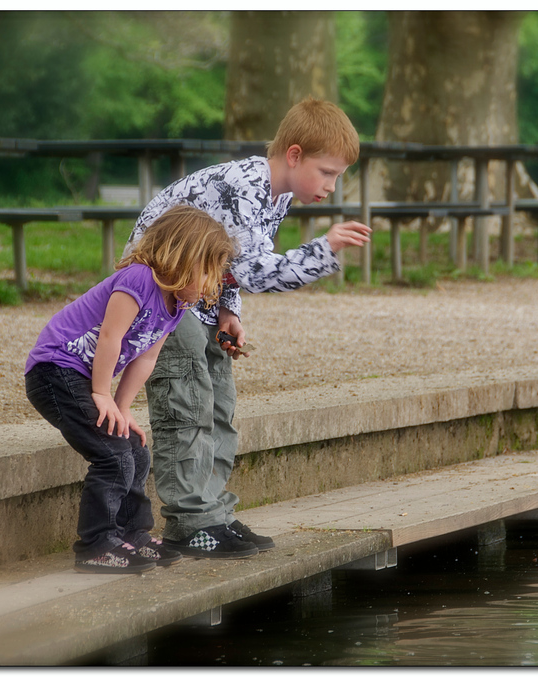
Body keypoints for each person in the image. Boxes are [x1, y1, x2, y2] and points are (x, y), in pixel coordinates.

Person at [123, 97, 371, 559]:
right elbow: (259, 270)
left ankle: (213, 513)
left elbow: (232, 263)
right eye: (327, 172)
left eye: (337, 176)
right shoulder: (247, 183)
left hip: (200, 296)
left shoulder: (275, 193)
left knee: (218, 402)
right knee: (187, 402)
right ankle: (189, 521)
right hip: (160, 294)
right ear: (294, 155)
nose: (332, 187)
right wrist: (324, 248)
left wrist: (228, 309)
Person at [25, 205, 236, 574]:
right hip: (56, 370)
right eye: (208, 271)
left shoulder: (177, 305)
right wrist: (103, 394)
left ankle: (133, 534)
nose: (211, 283)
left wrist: (122, 408)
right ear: (182, 256)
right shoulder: (139, 279)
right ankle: (95, 544)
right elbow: (111, 336)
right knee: (113, 456)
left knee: (135, 451)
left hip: (86, 377)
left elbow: (145, 360)